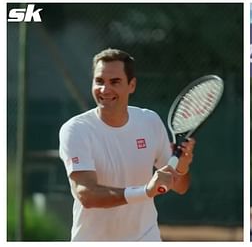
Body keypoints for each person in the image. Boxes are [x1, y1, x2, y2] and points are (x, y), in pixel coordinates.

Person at [59, 48, 196, 241]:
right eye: (99, 81)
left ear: (131, 85)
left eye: (115, 82)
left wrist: (181, 168)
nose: (105, 90)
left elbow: (180, 186)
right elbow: (86, 194)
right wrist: (145, 191)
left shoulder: (150, 121)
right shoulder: (75, 130)